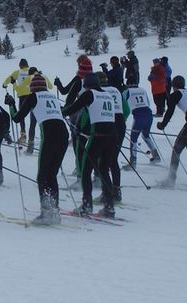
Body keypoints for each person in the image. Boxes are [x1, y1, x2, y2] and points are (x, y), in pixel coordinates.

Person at [6, 74, 69, 224]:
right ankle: (54, 210)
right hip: (63, 135)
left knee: (42, 176)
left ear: (33, 87)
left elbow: (16, 117)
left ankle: (46, 213)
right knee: (52, 175)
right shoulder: (52, 96)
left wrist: (11, 104)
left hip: (50, 136)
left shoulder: (33, 97)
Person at [62, 72, 118, 218]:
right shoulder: (107, 95)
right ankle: (109, 206)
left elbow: (74, 107)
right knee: (104, 170)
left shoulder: (89, 94)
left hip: (98, 136)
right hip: (112, 137)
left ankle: (87, 205)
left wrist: (62, 111)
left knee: (86, 170)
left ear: (86, 86)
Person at [54, 55, 93, 185]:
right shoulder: (96, 78)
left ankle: (80, 172)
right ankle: (96, 175)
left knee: (78, 143)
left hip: (78, 112)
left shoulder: (78, 79)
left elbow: (66, 92)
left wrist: (64, 110)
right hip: (94, 112)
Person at [97, 71, 130, 202]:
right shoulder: (116, 90)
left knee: (103, 160)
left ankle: (107, 192)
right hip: (120, 123)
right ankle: (116, 191)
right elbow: (127, 109)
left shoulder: (98, 92)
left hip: (106, 124)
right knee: (113, 159)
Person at [123, 77, 160, 169]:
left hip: (139, 116)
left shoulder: (127, 91)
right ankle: (156, 155)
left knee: (133, 139)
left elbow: (122, 104)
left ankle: (133, 162)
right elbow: (147, 102)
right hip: (148, 114)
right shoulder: (143, 90)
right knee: (145, 135)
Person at [2, 58, 32, 144]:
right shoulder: (31, 71)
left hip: (22, 95)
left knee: (21, 116)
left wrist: (4, 85)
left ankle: (23, 135)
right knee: (33, 117)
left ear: (20, 65)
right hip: (33, 95)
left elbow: (8, 79)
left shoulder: (18, 72)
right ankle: (32, 137)